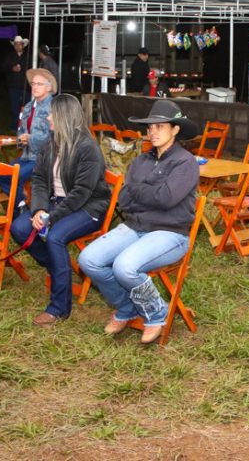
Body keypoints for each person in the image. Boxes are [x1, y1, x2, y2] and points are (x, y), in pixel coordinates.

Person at [78, 99, 200, 345]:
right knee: (88, 260)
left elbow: (166, 199)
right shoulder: (141, 161)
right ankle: (127, 308)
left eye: (160, 127)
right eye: (150, 127)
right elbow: (124, 198)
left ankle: (156, 313)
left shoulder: (185, 162)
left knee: (124, 266)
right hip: (136, 226)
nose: (153, 132)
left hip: (170, 233)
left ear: (175, 129)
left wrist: (138, 190)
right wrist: (145, 192)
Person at [9, 94, 110, 326]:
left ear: (65, 116)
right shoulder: (51, 143)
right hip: (56, 205)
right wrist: (38, 210)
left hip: (88, 207)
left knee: (54, 238)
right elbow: (39, 180)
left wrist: (50, 218)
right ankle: (58, 268)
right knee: (19, 228)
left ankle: (58, 308)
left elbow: (81, 193)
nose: (48, 116)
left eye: (53, 113)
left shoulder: (88, 148)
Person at [0, 68, 54, 207]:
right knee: (1, 173)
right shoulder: (28, 107)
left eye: (39, 84)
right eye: (33, 84)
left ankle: (16, 212)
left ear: (49, 87)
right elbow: (21, 130)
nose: (34, 87)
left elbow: (53, 137)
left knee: (16, 176)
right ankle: (21, 203)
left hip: (43, 158)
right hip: (26, 156)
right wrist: (20, 139)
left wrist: (31, 138)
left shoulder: (54, 107)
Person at [2, 35, 31, 123]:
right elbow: (3, 68)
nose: (18, 46)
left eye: (19, 44)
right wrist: (12, 68)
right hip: (13, 87)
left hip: (26, 87)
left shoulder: (28, 56)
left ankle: (25, 128)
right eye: (16, 44)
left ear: (23, 45)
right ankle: (14, 128)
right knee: (15, 109)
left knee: (27, 109)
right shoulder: (9, 56)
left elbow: (33, 69)